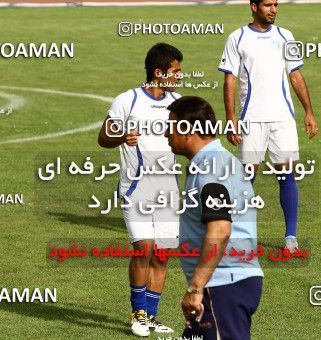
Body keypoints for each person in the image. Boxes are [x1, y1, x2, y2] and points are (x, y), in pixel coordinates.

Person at [218, 0, 319, 253]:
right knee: (247, 177)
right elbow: (229, 79)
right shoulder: (237, 37)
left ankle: (290, 238)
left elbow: (295, 74)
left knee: (286, 175)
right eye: (267, 5)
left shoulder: (286, 35)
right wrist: (231, 118)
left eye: (276, 4)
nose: (273, 9)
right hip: (251, 119)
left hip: (283, 118)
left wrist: (308, 111)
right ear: (253, 6)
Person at [97, 42, 183, 337]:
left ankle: (152, 317)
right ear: (158, 72)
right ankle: (138, 315)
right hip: (135, 189)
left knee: (161, 254)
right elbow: (103, 137)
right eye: (175, 71)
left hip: (168, 189)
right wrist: (122, 136)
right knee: (143, 249)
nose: (178, 77)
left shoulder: (178, 102)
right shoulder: (127, 100)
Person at [165, 96, 264, 339]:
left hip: (223, 286)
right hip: (225, 283)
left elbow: (220, 229)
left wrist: (196, 287)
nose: (166, 134)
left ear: (188, 130)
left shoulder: (210, 168)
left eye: (171, 126)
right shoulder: (216, 162)